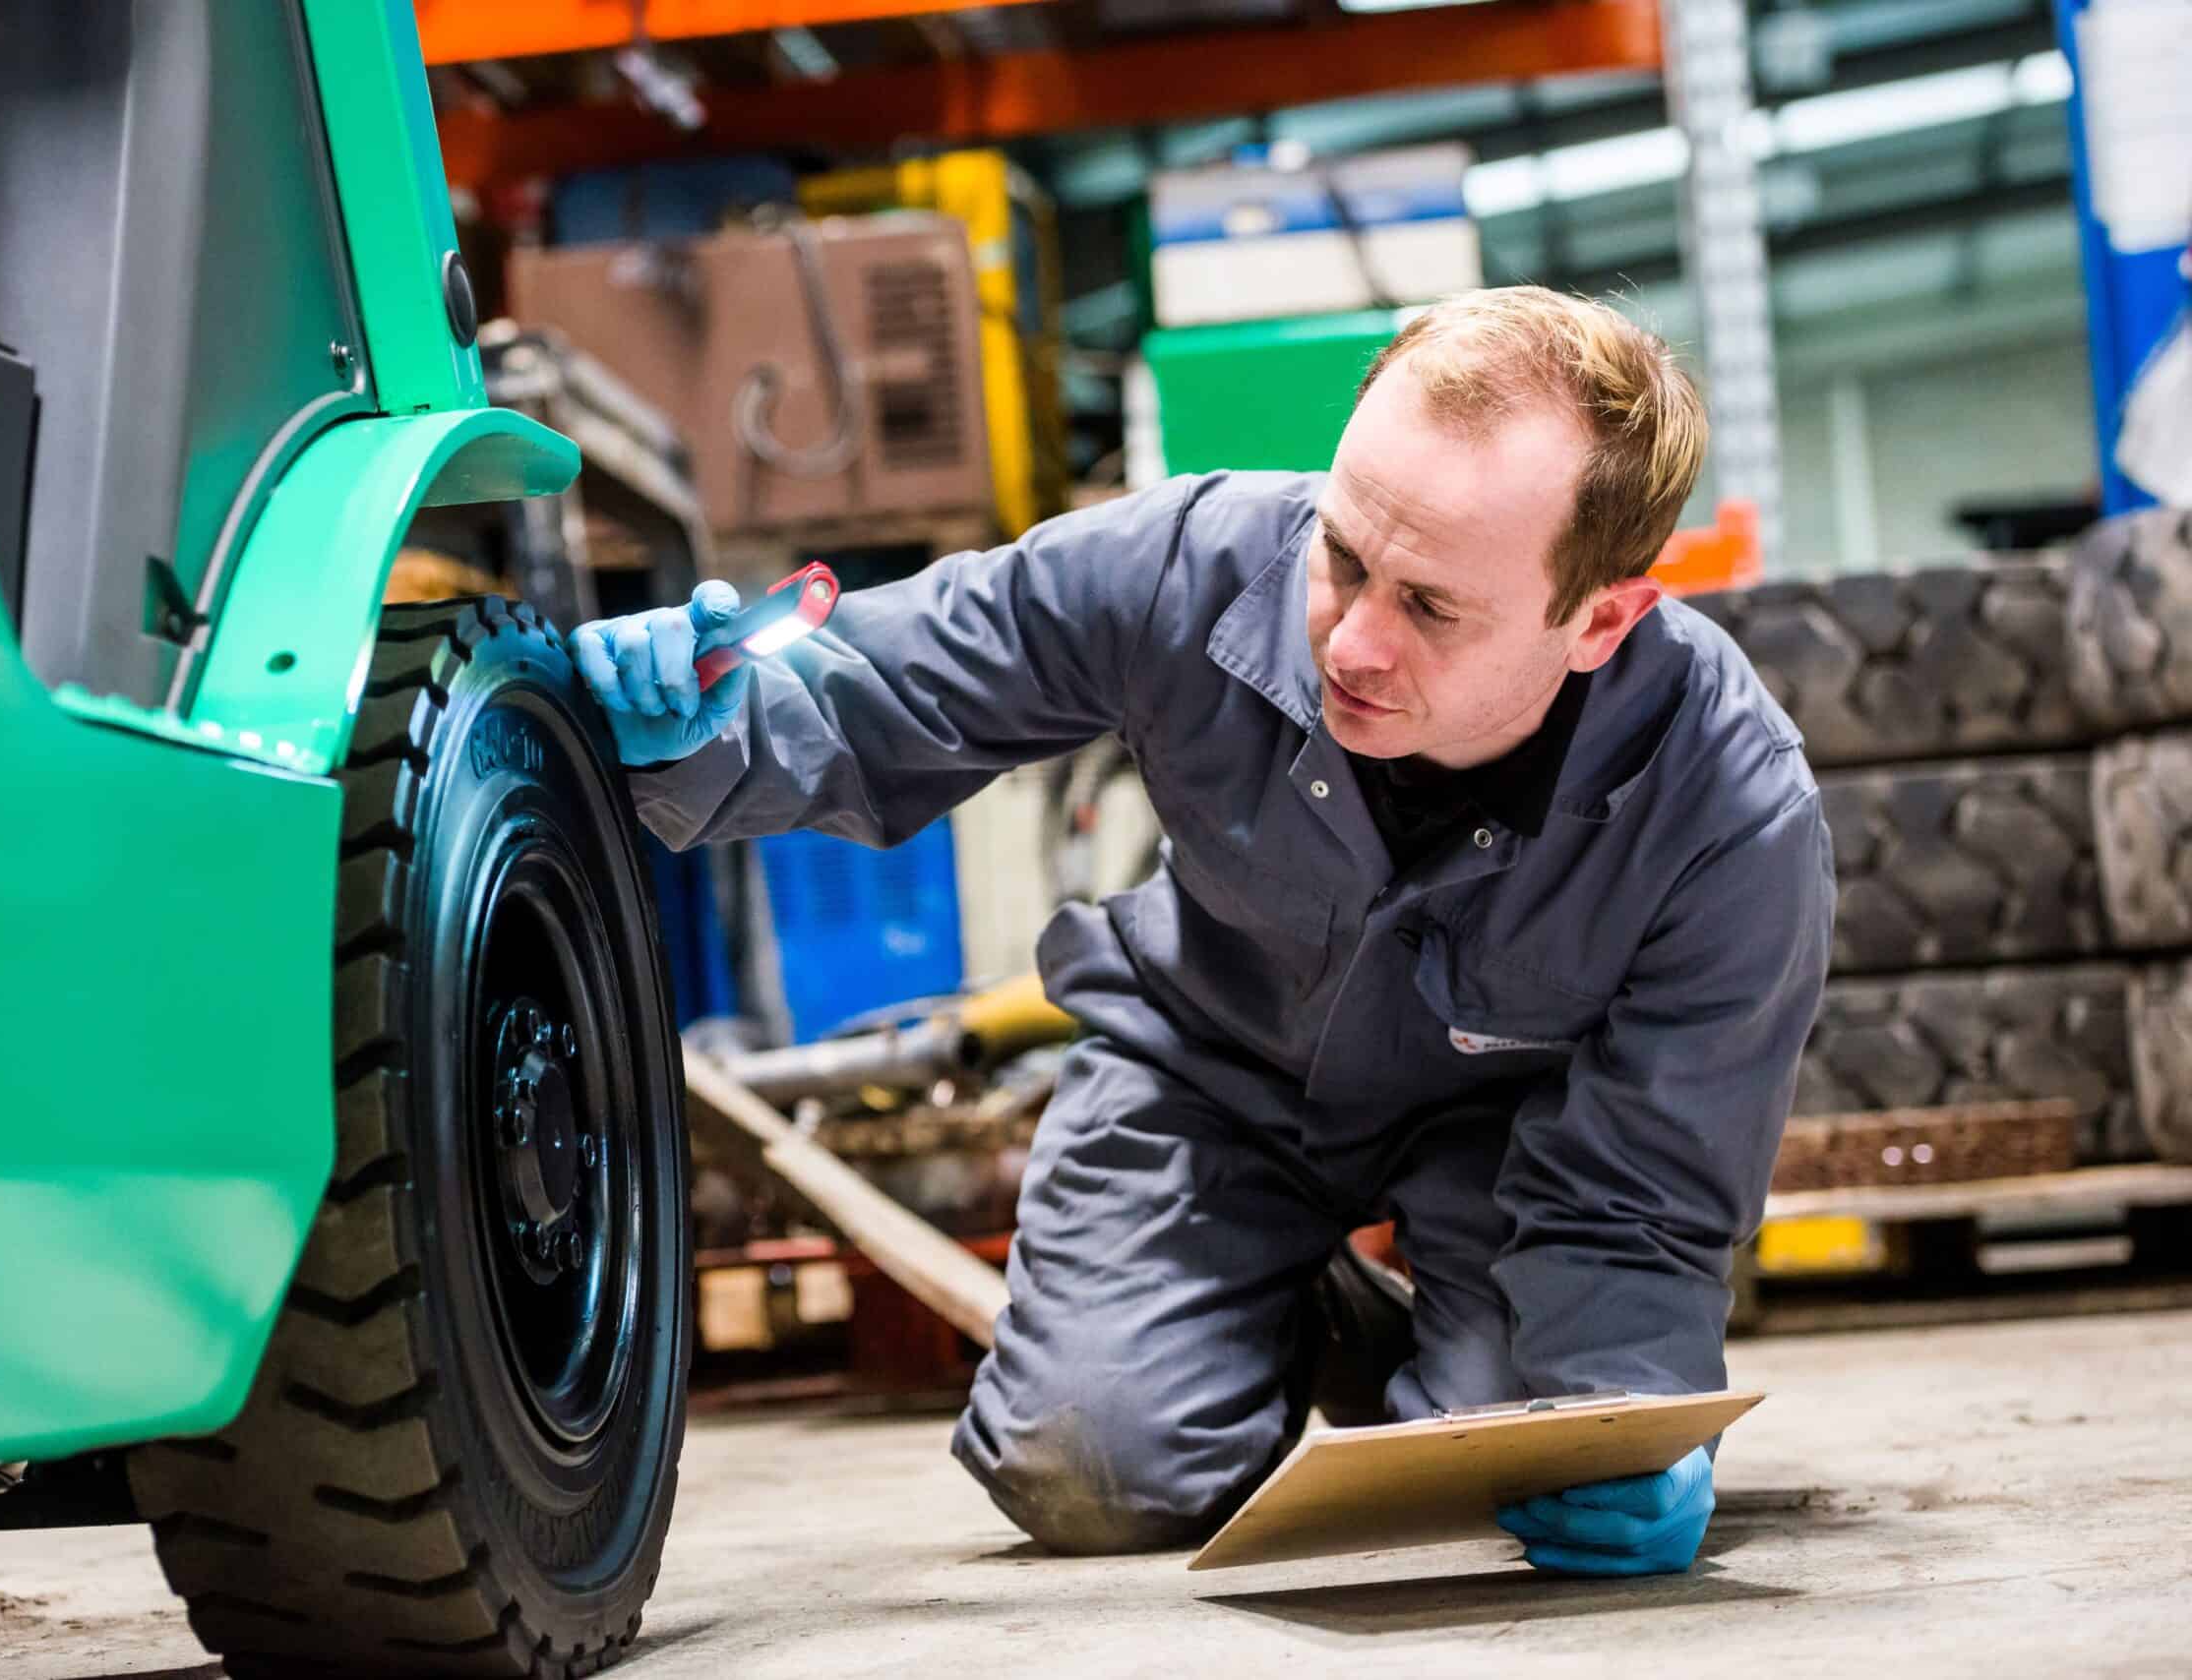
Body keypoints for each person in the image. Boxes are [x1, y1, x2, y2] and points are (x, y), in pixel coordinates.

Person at [571, 286, 1833, 1575]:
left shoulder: (1730, 814)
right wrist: (693, 721)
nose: (1356, 640)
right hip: (1209, 1070)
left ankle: (1452, 1361)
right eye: (1345, 558)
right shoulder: (1187, 564)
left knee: (1518, 1466)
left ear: (1600, 620)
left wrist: (1627, 1413)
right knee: (1089, 1468)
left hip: (1509, 1134)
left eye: (1435, 608)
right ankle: (1280, 1309)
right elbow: (877, 688)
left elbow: (1642, 1197)